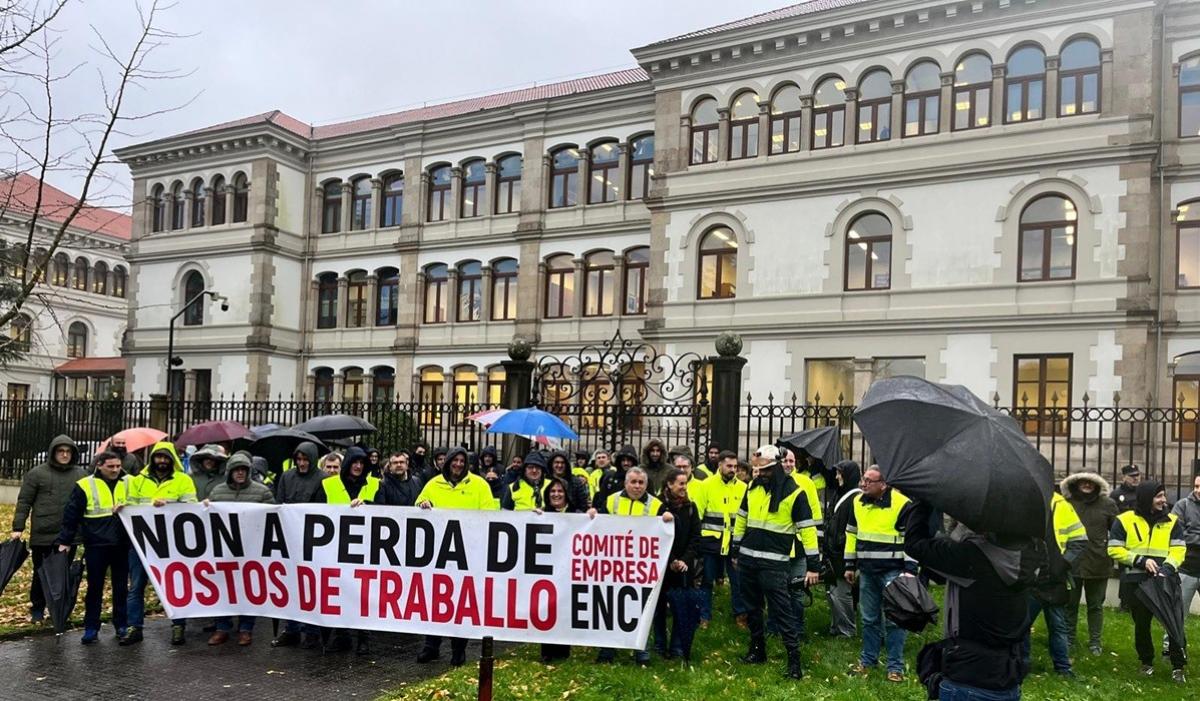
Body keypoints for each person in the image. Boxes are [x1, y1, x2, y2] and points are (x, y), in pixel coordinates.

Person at [904, 501, 1044, 700]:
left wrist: (924, 500)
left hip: (968, 674)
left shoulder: (971, 557)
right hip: (1008, 671)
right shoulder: (1031, 550)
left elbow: (914, 544)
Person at [732, 445, 818, 680]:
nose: (760, 474)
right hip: (749, 559)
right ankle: (757, 650)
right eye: (758, 470)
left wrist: (813, 565)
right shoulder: (753, 488)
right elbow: (742, 517)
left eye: (765, 470)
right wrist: (735, 548)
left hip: (774, 564)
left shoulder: (795, 493)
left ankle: (794, 661)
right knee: (752, 608)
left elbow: (807, 531)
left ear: (777, 466)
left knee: (782, 611)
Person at [415, 447, 498, 666]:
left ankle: (458, 649)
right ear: (448, 462)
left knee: (461, 603)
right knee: (434, 601)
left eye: (463, 461)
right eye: (455, 460)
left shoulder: (479, 485)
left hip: (467, 554)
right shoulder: (433, 484)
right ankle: (431, 646)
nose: (458, 464)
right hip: (437, 554)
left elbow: (489, 514)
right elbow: (417, 506)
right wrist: (423, 505)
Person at [590, 466, 673, 665]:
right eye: (633, 482)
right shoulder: (611, 500)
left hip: (640, 568)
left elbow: (665, 530)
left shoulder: (656, 505)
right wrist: (592, 514)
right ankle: (607, 651)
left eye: (641, 482)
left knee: (642, 608)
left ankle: (641, 651)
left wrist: (668, 519)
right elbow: (597, 525)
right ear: (625, 483)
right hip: (614, 565)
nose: (637, 486)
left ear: (646, 484)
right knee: (610, 607)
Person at [1108, 480, 1187, 682]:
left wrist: (1168, 567)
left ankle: (1178, 667)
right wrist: (1140, 560)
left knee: (1173, 623)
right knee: (1141, 625)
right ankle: (1146, 662)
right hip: (1137, 580)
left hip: (1165, 580)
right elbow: (1114, 548)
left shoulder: (1172, 521)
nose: (1164, 500)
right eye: (1158, 496)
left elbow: (1179, 549)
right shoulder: (1124, 520)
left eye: (1164, 495)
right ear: (1146, 498)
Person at [844, 466, 914, 682]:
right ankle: (867, 661)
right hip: (867, 571)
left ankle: (895, 667)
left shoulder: (903, 505)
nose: (863, 484)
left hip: (894, 571)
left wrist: (910, 571)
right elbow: (851, 534)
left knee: (895, 620)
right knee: (869, 618)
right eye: (863, 480)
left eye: (869, 481)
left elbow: (911, 541)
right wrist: (849, 564)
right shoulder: (857, 502)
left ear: (884, 484)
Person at [123, 441, 196, 646]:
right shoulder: (138, 481)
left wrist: (169, 504)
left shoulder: (184, 480)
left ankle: (178, 625)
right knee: (136, 585)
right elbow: (131, 505)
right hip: (142, 542)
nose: (162, 461)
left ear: (172, 460)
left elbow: (192, 507)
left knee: (175, 584)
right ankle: (134, 627)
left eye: (166, 458)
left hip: (172, 543)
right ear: (152, 459)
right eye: (158, 457)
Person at [54, 451, 129, 644]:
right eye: (110, 466)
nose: (115, 470)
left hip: (123, 543)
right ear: (99, 466)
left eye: (118, 466)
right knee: (94, 588)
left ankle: (121, 625)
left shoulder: (130, 482)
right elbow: (72, 514)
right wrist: (65, 541)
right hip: (96, 544)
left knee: (121, 588)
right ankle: (91, 627)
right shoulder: (85, 485)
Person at [11, 434, 86, 624]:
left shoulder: (81, 475)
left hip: (69, 535)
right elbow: (24, 501)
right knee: (40, 572)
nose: (64, 454)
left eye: (68, 451)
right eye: (60, 451)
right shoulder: (37, 473)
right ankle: (37, 608)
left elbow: (88, 503)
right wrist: (18, 527)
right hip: (42, 533)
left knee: (62, 574)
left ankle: (58, 611)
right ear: (53, 452)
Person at [202, 451, 273, 646]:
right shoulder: (217, 492)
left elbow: (272, 519)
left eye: (244, 469)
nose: (240, 473)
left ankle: (245, 629)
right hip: (225, 550)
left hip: (252, 549)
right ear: (230, 472)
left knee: (248, 588)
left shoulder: (262, 492)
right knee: (223, 587)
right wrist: (206, 507)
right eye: (236, 470)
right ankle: (222, 627)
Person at [311, 447, 376, 654]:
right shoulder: (327, 484)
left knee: (363, 595)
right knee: (336, 593)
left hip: (365, 548)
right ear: (348, 463)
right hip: (334, 548)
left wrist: (368, 505)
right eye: (355, 462)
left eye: (362, 463)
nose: (358, 466)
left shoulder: (374, 485)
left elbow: (386, 509)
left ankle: (363, 638)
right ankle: (340, 636)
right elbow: (315, 511)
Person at [1022, 490, 1087, 677]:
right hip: (1030, 576)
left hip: (1054, 578)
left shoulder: (1062, 506)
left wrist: (1063, 563)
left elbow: (1080, 540)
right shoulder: (1023, 500)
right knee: (1023, 625)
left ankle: (1063, 668)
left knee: (1058, 626)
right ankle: (1022, 665)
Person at [271, 441, 325, 649]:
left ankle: (311, 631)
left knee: (309, 585)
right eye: (299, 459)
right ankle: (291, 629)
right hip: (290, 537)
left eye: (305, 459)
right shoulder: (287, 476)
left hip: (311, 538)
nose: (302, 463)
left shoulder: (321, 479)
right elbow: (280, 502)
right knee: (291, 584)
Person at [1061, 471, 1118, 655]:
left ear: (1096, 484)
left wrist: (1109, 550)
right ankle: (1069, 639)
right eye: (1082, 481)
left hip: (1098, 562)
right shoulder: (1067, 504)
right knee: (1070, 605)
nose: (1086, 484)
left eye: (1090, 482)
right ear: (1075, 484)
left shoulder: (1108, 505)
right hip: (1072, 562)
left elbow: (1117, 532)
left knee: (1095, 605)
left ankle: (1095, 642)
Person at [692, 450, 747, 628]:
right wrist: (698, 540)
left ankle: (740, 615)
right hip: (711, 542)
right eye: (729, 466)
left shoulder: (743, 487)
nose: (733, 469)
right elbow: (698, 515)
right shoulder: (706, 485)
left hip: (734, 542)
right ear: (720, 465)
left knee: (738, 582)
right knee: (706, 581)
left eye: (735, 466)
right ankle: (703, 616)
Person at [774, 448, 823, 641]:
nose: (788, 464)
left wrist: (816, 546)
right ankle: (776, 627)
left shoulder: (806, 482)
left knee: (797, 590)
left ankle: (798, 629)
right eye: (784, 461)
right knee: (777, 589)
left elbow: (814, 513)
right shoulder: (774, 480)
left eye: (791, 461)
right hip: (779, 544)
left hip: (801, 544)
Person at [655, 468, 702, 660]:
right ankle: (659, 646)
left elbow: (695, 537)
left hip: (684, 567)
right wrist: (672, 559)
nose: (684, 487)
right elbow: (657, 537)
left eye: (686, 483)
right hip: (663, 566)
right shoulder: (660, 507)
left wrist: (684, 560)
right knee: (658, 608)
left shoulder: (691, 507)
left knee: (680, 609)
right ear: (669, 484)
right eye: (681, 483)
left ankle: (677, 647)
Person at [537, 476, 579, 663]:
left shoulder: (577, 514)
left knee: (563, 608)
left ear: (567, 494)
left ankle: (563, 650)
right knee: (546, 607)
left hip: (568, 569)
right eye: (552, 491)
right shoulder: (542, 513)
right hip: (547, 568)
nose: (556, 494)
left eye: (560, 491)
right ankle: (546, 650)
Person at [824, 459, 862, 639]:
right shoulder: (840, 494)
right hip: (834, 551)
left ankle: (846, 630)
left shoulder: (856, 497)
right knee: (832, 592)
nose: (837, 477)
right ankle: (836, 626)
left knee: (841, 592)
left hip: (842, 552)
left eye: (840, 473)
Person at [1170, 474, 1200, 647]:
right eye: (1196, 486)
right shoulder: (1182, 505)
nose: (1197, 490)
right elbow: (1177, 535)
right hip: (1186, 568)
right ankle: (1171, 648)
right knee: (1178, 613)